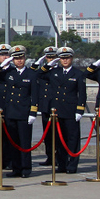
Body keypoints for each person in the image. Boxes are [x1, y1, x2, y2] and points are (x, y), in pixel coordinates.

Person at [37, 46, 86, 175]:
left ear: (71, 58)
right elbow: (38, 74)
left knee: (72, 139)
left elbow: (82, 94)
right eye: (62, 58)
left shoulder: (78, 73)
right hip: (57, 111)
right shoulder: (54, 72)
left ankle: (72, 165)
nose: (65, 61)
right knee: (59, 139)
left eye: (67, 58)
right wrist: (48, 65)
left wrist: (80, 110)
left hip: (71, 110)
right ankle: (62, 164)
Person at [0, 45, 39, 178]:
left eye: (21, 58)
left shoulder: (31, 74)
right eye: (16, 58)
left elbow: (35, 95)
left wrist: (33, 112)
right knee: (13, 142)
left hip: (24, 113)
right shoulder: (9, 73)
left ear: (25, 58)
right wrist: (1, 66)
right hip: (11, 112)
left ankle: (25, 168)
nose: (19, 61)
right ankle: (16, 168)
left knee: (24, 143)